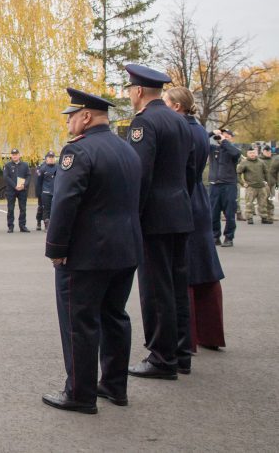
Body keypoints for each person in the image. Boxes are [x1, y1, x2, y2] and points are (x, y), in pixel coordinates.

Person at [42, 88, 142, 414]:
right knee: (115, 316)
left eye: (71, 116)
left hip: (86, 253)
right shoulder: (126, 149)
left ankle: (80, 393)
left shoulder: (78, 152)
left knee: (79, 321)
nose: (68, 122)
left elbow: (65, 203)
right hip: (126, 248)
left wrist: (56, 248)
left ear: (86, 116)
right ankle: (114, 386)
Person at [123, 64, 195, 380]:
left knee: (155, 288)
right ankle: (180, 353)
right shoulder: (180, 121)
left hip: (154, 217)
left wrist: (131, 217)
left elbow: (139, 175)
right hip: (180, 211)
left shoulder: (144, 123)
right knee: (177, 286)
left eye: (129, 90)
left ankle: (161, 358)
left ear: (138, 91)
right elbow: (191, 171)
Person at [163, 87, 226, 353]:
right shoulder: (199, 129)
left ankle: (184, 339)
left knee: (183, 272)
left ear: (176, 106)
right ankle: (210, 333)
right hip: (198, 199)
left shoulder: (182, 131)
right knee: (204, 268)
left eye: (165, 102)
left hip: (185, 200)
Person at [208, 128, 240, 247]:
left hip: (228, 185)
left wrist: (224, 141)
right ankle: (215, 236)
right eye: (222, 136)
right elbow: (198, 141)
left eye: (227, 136)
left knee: (230, 213)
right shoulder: (213, 149)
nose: (223, 138)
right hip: (215, 185)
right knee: (213, 213)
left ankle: (229, 237)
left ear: (231, 138)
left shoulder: (233, 149)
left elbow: (236, 154)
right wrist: (212, 133)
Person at [238, 148, 269, 226]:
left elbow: (266, 172)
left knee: (263, 203)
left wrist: (266, 182)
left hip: (261, 187)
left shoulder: (261, 162)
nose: (252, 154)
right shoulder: (244, 163)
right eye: (250, 153)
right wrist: (242, 183)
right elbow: (238, 174)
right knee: (249, 203)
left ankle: (264, 217)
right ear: (247, 154)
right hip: (250, 187)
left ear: (256, 153)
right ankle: (249, 218)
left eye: (254, 153)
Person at [4, 149, 31, 233]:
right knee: (10, 209)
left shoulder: (25, 165)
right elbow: (6, 177)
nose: (14, 156)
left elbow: (28, 176)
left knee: (23, 208)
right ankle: (10, 226)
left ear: (19, 155)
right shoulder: (7, 165)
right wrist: (14, 186)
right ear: (11, 156)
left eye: (16, 154)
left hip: (22, 190)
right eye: (13, 154)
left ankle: (22, 226)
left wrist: (24, 185)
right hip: (11, 190)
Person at [36, 152, 59, 230]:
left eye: (53, 157)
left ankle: (54, 225)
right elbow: (39, 182)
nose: (51, 159)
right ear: (46, 159)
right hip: (46, 192)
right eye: (49, 157)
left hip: (56, 192)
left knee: (55, 209)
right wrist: (39, 194)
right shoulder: (43, 168)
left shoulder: (59, 168)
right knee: (46, 209)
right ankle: (47, 225)